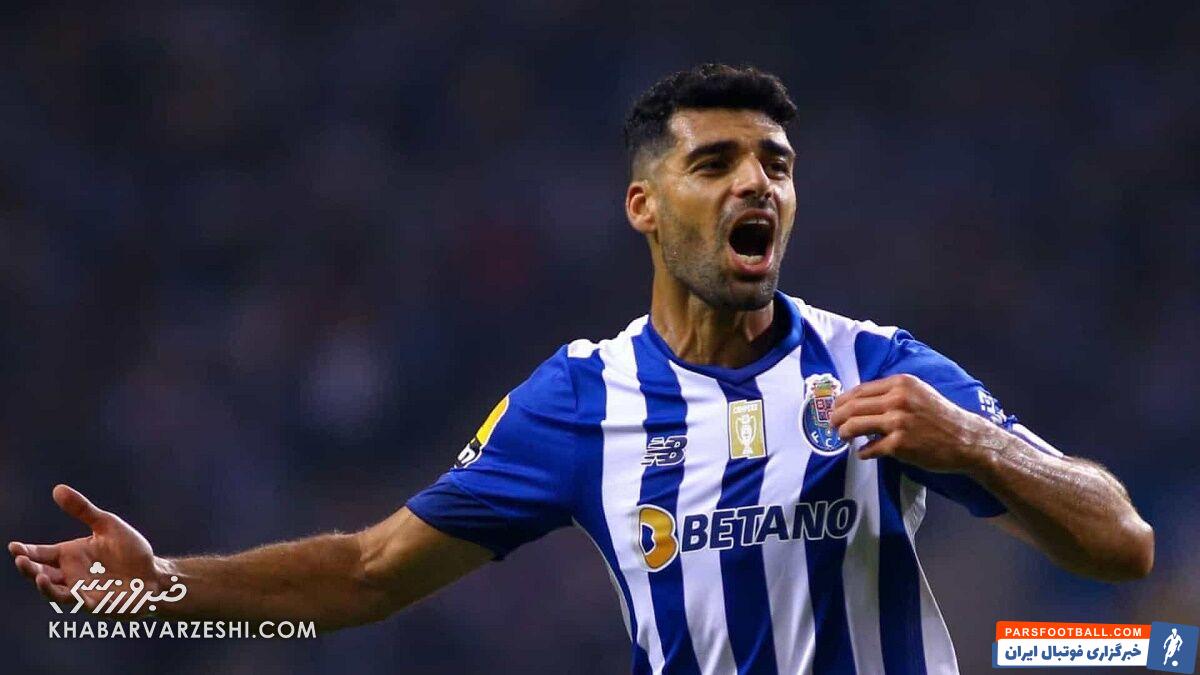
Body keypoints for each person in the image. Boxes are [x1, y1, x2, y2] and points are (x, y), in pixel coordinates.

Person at [9, 63, 1154, 675]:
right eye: (717, 162)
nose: (757, 184)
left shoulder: (878, 365)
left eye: (777, 163)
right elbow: (365, 575)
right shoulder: (579, 401)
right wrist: (154, 586)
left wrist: (976, 445)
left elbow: (1122, 543)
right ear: (643, 206)